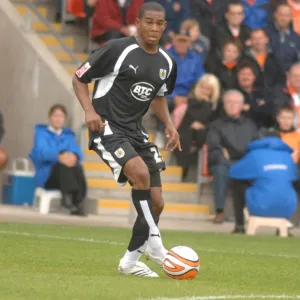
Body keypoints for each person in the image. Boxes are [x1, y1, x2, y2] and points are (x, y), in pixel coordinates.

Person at [72, 2, 180, 277]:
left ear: (164, 26)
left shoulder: (167, 63)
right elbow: (79, 78)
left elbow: (158, 97)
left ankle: (130, 261)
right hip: (107, 127)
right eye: (149, 22)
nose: (154, 28)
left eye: (159, 23)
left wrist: (169, 124)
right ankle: (155, 243)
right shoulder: (117, 49)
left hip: (135, 131)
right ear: (139, 22)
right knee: (140, 174)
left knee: (158, 202)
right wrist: (89, 111)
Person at [206, 90, 258, 228]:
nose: (232, 105)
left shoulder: (251, 125)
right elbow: (215, 148)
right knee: (220, 170)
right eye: (228, 102)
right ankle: (219, 210)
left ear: (242, 105)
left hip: (246, 162)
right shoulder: (216, 125)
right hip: (225, 162)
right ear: (224, 105)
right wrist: (228, 162)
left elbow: (255, 147)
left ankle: (254, 211)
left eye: (235, 102)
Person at [29, 104, 86, 216]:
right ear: (50, 117)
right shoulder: (41, 134)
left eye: (61, 116)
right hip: (48, 176)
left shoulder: (68, 136)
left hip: (67, 173)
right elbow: (42, 153)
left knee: (76, 166)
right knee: (61, 166)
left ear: (64, 119)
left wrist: (73, 156)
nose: (58, 119)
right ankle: (68, 198)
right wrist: (59, 157)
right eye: (55, 116)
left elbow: (77, 151)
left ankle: (77, 202)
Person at [154, 31, 204, 149]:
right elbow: (160, 78)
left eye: (184, 41)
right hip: (168, 93)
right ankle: (160, 133)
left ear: (189, 43)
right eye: (179, 41)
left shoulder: (196, 58)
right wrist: (174, 95)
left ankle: (185, 140)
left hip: (189, 93)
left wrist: (189, 96)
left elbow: (200, 79)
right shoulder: (165, 56)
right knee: (163, 103)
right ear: (173, 42)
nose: (181, 44)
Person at [229, 135, 298, 221]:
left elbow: (233, 172)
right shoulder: (288, 156)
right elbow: (294, 177)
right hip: (288, 209)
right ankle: (285, 228)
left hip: (260, 207)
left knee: (237, 183)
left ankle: (239, 226)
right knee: (287, 185)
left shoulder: (255, 154)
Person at [174, 74, 220, 181]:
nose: (204, 90)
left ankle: (188, 167)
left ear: (213, 91)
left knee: (200, 132)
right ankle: (184, 167)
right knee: (188, 134)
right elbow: (193, 118)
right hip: (187, 130)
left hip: (206, 132)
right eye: (202, 87)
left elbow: (215, 122)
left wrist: (206, 105)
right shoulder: (192, 101)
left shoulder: (216, 105)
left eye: (208, 89)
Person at [236, 62, 274, 129]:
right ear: (238, 76)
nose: (245, 77)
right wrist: (258, 106)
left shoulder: (263, 92)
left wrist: (250, 108)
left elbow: (270, 112)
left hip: (263, 130)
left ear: (254, 77)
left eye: (249, 74)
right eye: (242, 74)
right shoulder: (233, 94)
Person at [266, 3, 300, 72]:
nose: (283, 18)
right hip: (269, 74)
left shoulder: (296, 38)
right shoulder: (265, 33)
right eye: (281, 15)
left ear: (291, 17)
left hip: (290, 75)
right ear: (275, 15)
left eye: (287, 15)